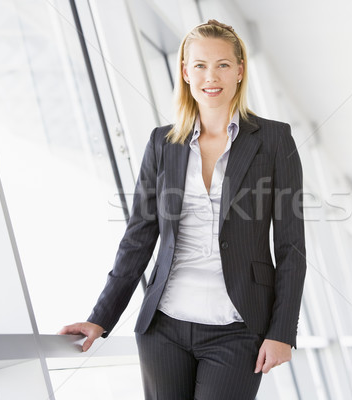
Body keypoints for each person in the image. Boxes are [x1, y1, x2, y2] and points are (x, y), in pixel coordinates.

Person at [60, 19, 306, 400]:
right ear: (185, 72)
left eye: (223, 64)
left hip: (239, 328)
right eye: (200, 65)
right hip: (164, 327)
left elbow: (291, 247)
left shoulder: (274, 140)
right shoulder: (163, 143)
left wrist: (282, 331)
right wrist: (100, 319)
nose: (212, 76)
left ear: (240, 70)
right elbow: (139, 236)